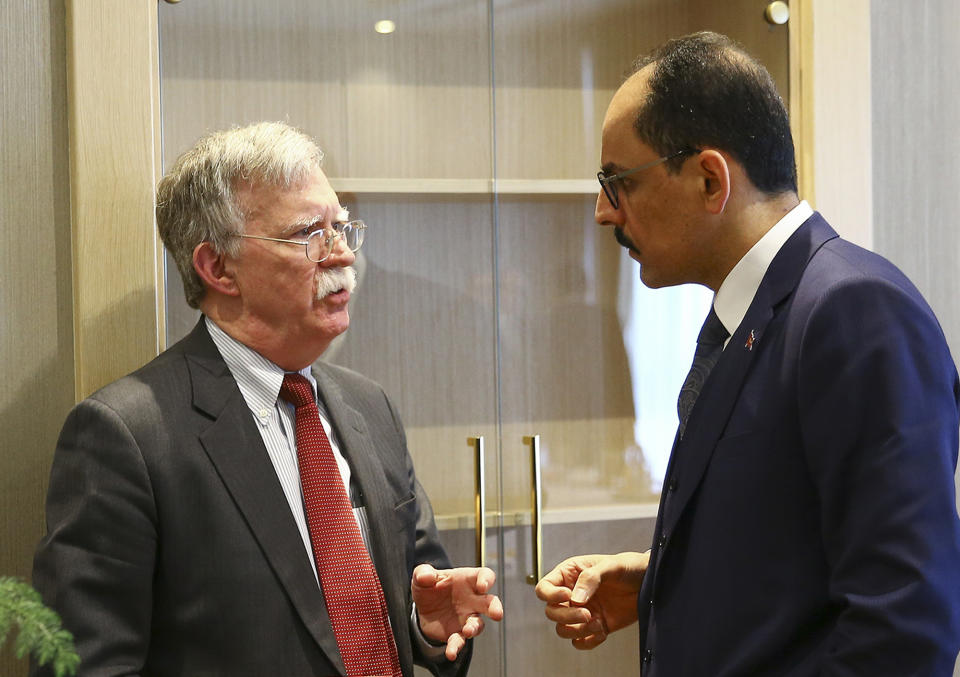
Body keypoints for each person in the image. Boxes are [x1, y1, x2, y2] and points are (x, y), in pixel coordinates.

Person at [535, 31, 960, 676]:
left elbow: (904, 627)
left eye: (618, 181)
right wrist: (663, 579)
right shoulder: (749, 312)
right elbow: (797, 537)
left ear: (710, 178)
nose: (603, 212)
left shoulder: (852, 310)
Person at [32, 121, 502, 677]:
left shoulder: (369, 405)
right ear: (218, 267)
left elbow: (420, 599)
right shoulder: (126, 434)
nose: (342, 255)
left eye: (343, 229)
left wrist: (429, 630)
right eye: (310, 234)